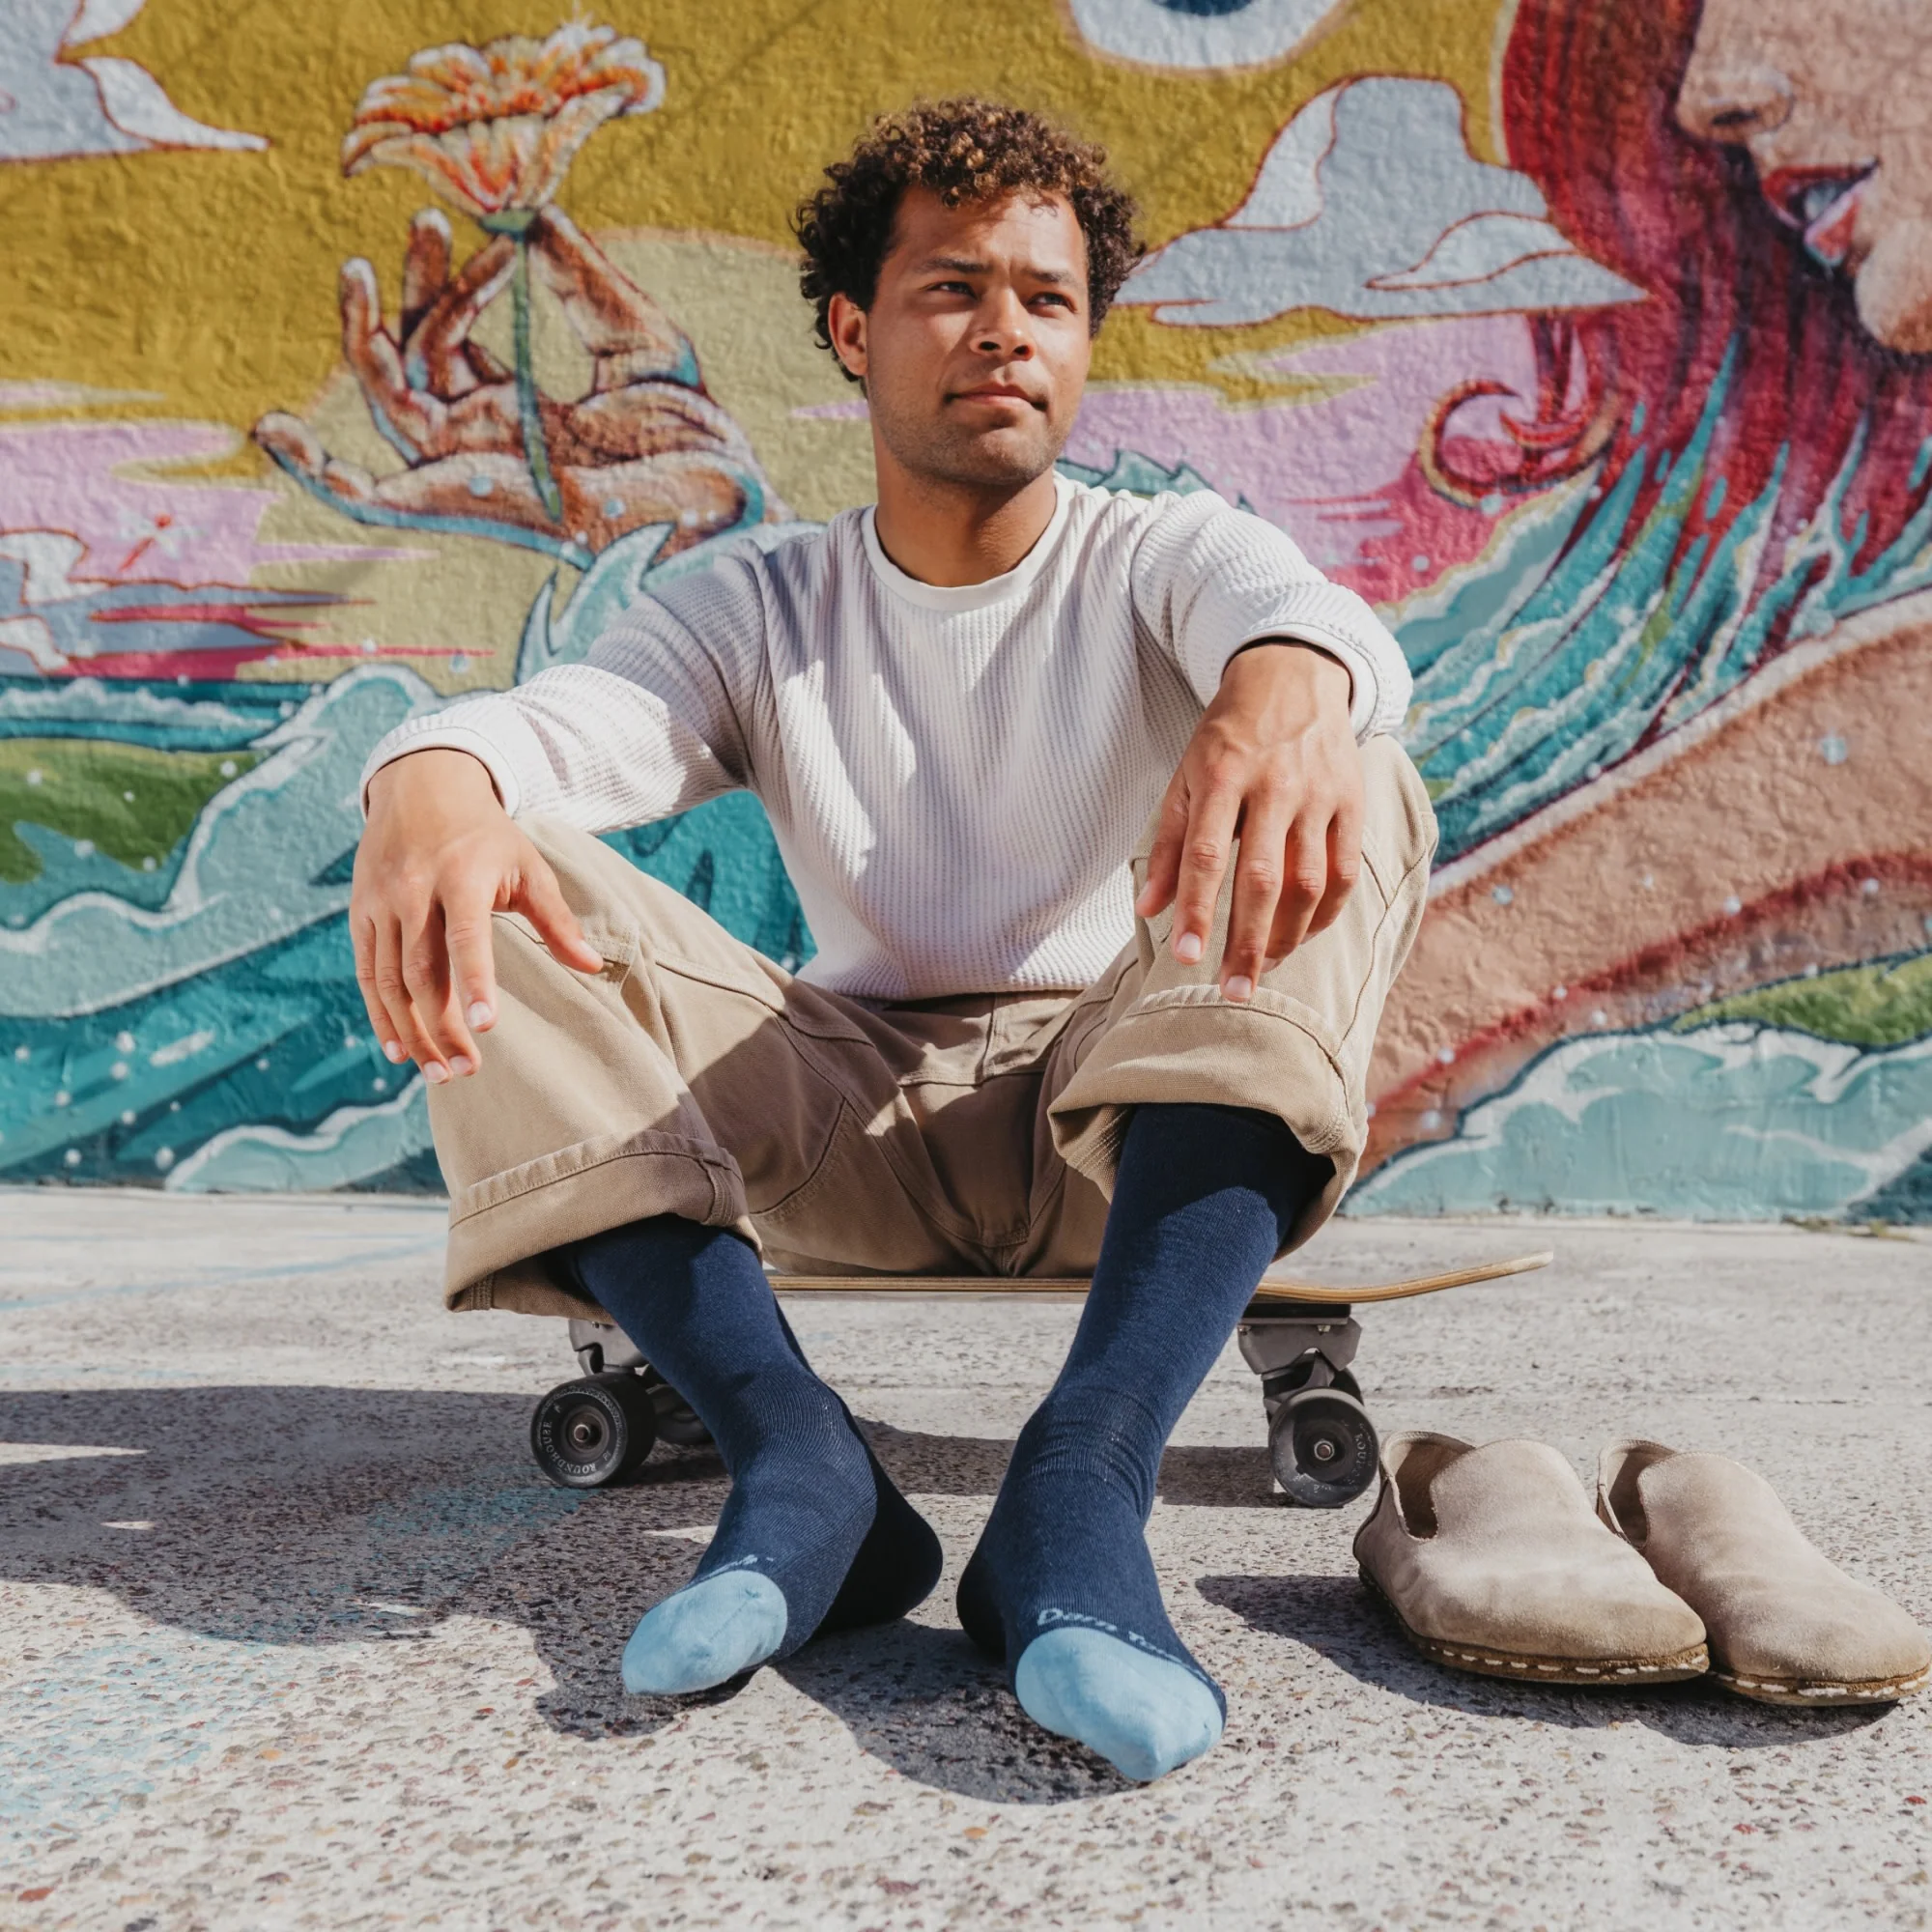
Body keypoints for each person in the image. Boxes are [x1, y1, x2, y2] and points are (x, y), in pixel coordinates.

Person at [351, 99, 1433, 1783]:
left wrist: (1287, 692)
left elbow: (1303, 616)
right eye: (952, 289)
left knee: (1354, 766)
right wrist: (428, 779)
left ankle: (1079, 1488)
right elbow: (570, 728)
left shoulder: (1162, 553)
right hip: (843, 1122)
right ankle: (808, 1473)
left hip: (1125, 1119)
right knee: (491, 858)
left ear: (1085, 343)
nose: (1006, 329)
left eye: (1048, 298)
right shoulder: (758, 602)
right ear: (855, 332)